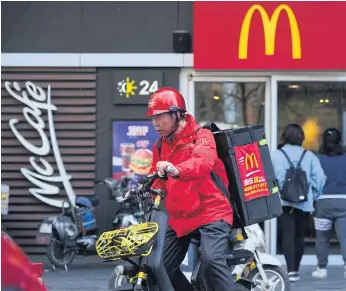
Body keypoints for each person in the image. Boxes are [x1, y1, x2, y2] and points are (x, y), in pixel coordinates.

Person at [147, 87, 234, 291]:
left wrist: (175, 170)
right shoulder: (160, 146)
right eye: (153, 118)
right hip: (181, 216)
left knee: (212, 261)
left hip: (212, 212)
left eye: (160, 117)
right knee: (158, 268)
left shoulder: (201, 135)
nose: (156, 123)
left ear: (177, 114)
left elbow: (203, 162)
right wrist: (145, 188)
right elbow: (157, 178)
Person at [271, 124, 325, 282]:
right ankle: (297, 269)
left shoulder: (275, 155)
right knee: (299, 236)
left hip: (284, 201)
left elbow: (269, 178)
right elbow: (320, 178)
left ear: (284, 136)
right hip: (304, 202)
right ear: (301, 137)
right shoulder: (309, 156)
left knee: (287, 235)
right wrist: (313, 194)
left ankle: (291, 271)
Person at [312, 128, 346, 279]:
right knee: (344, 237)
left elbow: (314, 180)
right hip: (343, 201)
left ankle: (321, 268)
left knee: (322, 237)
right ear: (340, 141)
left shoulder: (318, 159)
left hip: (323, 202)